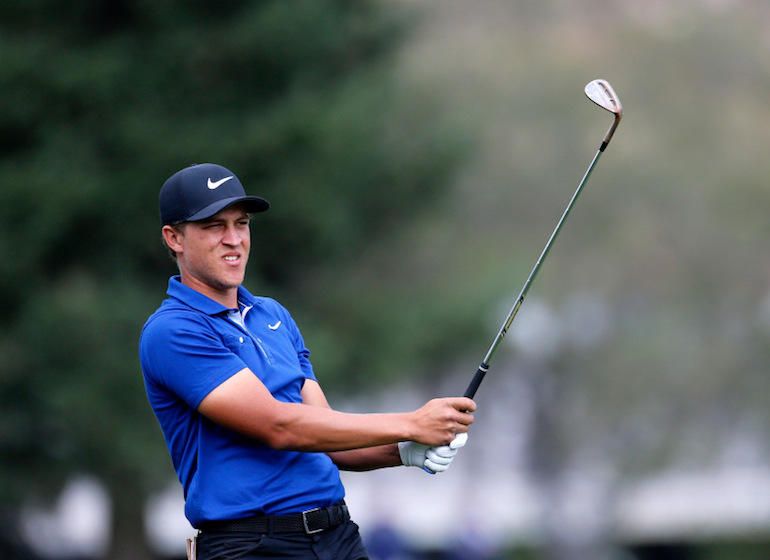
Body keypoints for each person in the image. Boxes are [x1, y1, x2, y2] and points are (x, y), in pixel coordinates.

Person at [139, 163, 476, 560]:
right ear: (174, 237)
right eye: (214, 226)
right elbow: (277, 425)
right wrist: (411, 422)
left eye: (242, 224)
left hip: (338, 537)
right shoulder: (173, 331)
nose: (234, 239)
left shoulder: (272, 314)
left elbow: (325, 438)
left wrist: (403, 450)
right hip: (254, 546)